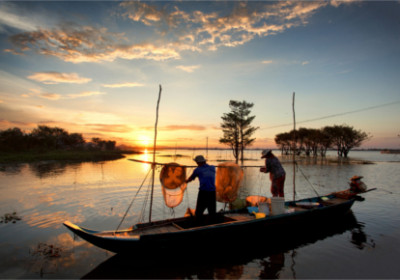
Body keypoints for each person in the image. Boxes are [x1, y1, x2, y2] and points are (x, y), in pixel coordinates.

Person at [185, 155, 217, 220]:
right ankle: (213, 224)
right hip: (212, 193)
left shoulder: (197, 170)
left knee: (199, 212)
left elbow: (191, 178)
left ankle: (199, 225)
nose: (196, 163)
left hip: (203, 193)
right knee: (212, 211)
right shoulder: (212, 167)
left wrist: (186, 181)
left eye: (197, 162)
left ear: (198, 162)